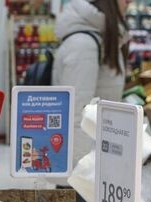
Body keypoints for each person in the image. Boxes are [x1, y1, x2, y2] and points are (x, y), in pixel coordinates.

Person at [52, 0, 129, 163]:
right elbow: (76, 114)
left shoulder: (102, 38)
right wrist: (79, 172)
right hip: (83, 169)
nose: (129, 2)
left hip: (95, 160)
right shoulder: (84, 45)